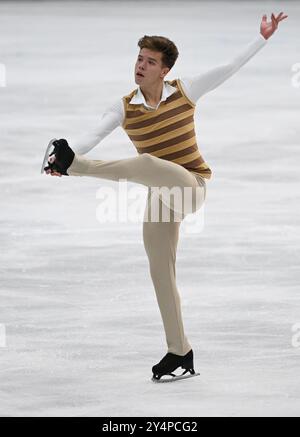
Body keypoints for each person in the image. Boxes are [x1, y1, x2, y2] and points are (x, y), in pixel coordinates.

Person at [42, 12, 287, 382]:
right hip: (160, 192)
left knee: (147, 162)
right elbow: (91, 136)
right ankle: (180, 350)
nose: (141, 66)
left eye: (150, 61)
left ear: (165, 69)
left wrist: (262, 38)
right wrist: (66, 152)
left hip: (190, 187)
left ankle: (74, 167)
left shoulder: (186, 90)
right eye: (139, 58)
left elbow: (231, 66)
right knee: (161, 271)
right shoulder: (125, 107)